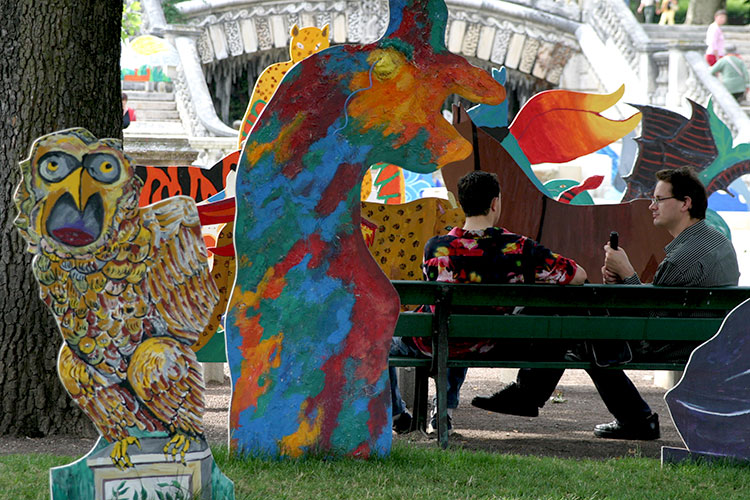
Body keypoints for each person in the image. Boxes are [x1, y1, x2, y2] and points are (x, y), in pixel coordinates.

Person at [472, 167, 740, 441]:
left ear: (685, 203)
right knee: (583, 326)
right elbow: (666, 301)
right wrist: (621, 282)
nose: (651, 206)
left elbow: (653, 319)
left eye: (659, 199)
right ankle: (629, 418)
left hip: (668, 343)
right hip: (697, 338)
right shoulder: (714, 242)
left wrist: (627, 273)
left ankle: (532, 394)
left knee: (581, 322)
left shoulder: (683, 256)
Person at [390, 170, 587, 434]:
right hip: (488, 342)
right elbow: (578, 276)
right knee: (462, 328)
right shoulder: (518, 248)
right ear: (495, 203)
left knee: (386, 340)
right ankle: (443, 411)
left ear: (461, 204)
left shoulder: (436, 248)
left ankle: (397, 414)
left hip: (434, 341)